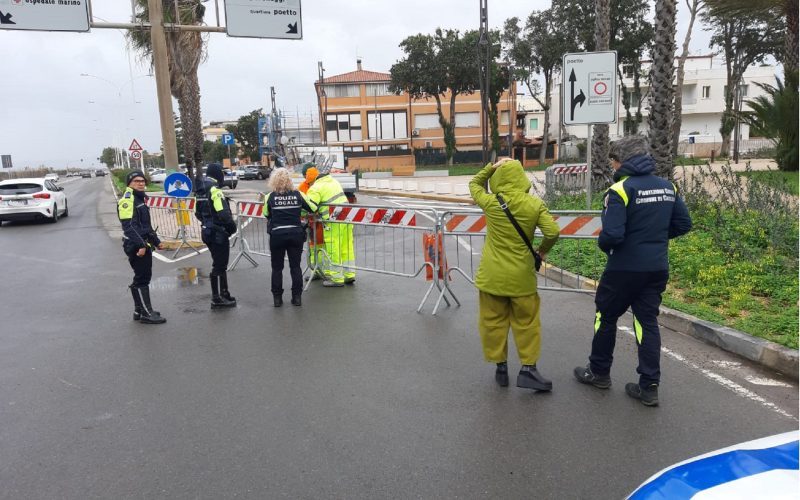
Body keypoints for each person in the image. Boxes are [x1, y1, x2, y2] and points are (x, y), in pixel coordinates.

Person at [573, 135, 692, 407]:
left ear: (621, 161)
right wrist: (654, 239)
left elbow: (612, 235)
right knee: (646, 323)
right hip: (657, 267)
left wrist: (606, 246)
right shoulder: (668, 187)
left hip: (623, 269)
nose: (612, 166)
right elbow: (684, 224)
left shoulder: (620, 190)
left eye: (613, 161)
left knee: (605, 317)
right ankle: (649, 386)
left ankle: (599, 372)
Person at [469, 158, 560, 391]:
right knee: (527, 323)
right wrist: (542, 251)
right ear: (521, 177)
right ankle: (528, 369)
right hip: (522, 278)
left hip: (492, 277)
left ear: (498, 178)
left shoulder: (491, 203)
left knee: (493, 322)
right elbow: (552, 232)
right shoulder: (534, 204)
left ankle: (501, 368)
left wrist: (491, 167)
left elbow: (474, 185)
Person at [117, 170, 166, 324]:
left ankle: (139, 310)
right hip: (135, 244)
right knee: (142, 278)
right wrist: (141, 245)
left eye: (142, 181)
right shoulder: (128, 200)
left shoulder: (139, 198)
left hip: (142, 242)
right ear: (129, 184)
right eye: (136, 181)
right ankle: (146, 313)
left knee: (142, 276)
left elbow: (145, 225)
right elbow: (129, 227)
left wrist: (156, 241)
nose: (140, 183)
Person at [264, 168, 316, 307]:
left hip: (277, 235)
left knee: (277, 268)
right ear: (290, 181)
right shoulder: (298, 194)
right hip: (295, 234)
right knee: (295, 267)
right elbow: (312, 207)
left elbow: (266, 214)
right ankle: (297, 298)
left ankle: (277, 299)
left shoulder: (270, 196)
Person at [305, 163, 355, 287]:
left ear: (312, 181)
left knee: (333, 248)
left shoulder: (315, 188)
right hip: (347, 218)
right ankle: (349, 274)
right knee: (346, 247)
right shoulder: (333, 181)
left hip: (332, 221)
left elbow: (310, 207)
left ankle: (336, 278)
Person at [195, 163, 238, 308]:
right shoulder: (215, 190)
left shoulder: (200, 189)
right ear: (218, 174)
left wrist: (207, 222)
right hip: (218, 233)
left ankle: (224, 293)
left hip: (206, 231)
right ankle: (217, 298)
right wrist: (231, 228)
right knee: (219, 266)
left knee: (219, 263)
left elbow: (197, 213)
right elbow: (223, 214)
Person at [298, 163, 325, 282]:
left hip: (320, 220)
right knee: (313, 246)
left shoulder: (319, 185)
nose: (306, 178)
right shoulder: (302, 187)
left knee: (322, 246)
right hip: (311, 222)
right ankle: (315, 270)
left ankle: (323, 270)